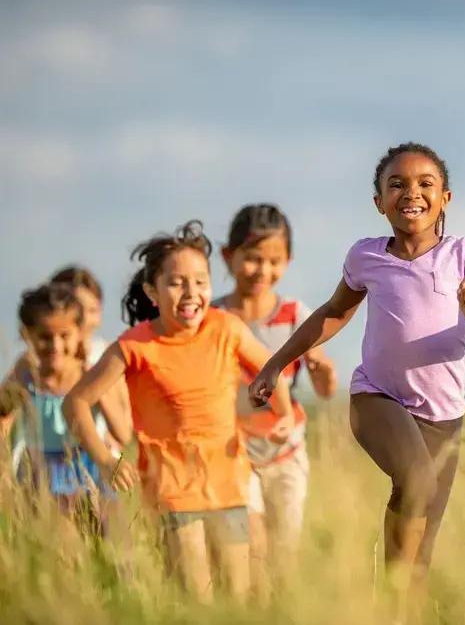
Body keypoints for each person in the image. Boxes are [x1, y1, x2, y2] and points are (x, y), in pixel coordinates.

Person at [248, 143, 465, 621]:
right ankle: (390, 595)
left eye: (425, 184)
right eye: (396, 184)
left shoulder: (464, 253)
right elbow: (333, 314)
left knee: (419, 556)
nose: (410, 193)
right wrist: (277, 363)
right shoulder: (366, 257)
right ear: (378, 202)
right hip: (377, 396)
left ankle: (393, 610)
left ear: (446, 198)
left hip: (444, 418)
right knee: (414, 479)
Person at [62, 220, 296, 603]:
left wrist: (283, 414)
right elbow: (77, 402)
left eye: (201, 281)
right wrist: (104, 460)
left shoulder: (227, 327)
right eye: (176, 282)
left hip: (228, 483)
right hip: (171, 488)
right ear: (152, 291)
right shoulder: (134, 346)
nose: (191, 293)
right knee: (195, 596)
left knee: (237, 597)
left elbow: (272, 370)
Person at [214, 203, 336, 598]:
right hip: (234, 452)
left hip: (286, 453)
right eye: (252, 259)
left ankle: (275, 609)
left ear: (288, 261)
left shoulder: (296, 316)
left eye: (274, 261)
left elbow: (325, 391)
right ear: (228, 257)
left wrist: (320, 368)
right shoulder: (214, 317)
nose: (262, 271)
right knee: (251, 547)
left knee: (284, 552)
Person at [0, 283, 130, 524]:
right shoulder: (26, 373)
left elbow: (122, 433)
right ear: (26, 334)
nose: (55, 346)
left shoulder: (88, 373)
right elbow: (3, 414)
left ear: (80, 332)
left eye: (64, 336)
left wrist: (97, 394)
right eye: (45, 337)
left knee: (109, 537)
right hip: (41, 472)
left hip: (89, 467)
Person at [51, 265, 131, 454]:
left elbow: (125, 425)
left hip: (94, 464)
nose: (84, 319)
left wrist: (94, 383)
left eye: (93, 310)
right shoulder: (43, 358)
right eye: (77, 309)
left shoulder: (107, 354)